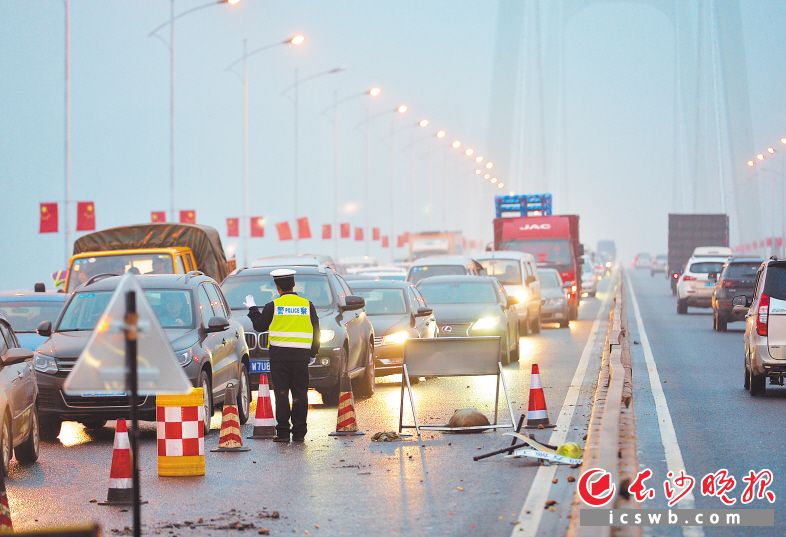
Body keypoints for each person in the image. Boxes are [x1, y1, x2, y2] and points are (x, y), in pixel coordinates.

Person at [245, 269, 319, 443]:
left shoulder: (274, 306)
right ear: (293, 285)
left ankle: (284, 433)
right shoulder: (307, 305)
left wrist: (253, 309)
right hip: (301, 358)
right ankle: (299, 433)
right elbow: (316, 331)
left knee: (282, 394)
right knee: (300, 394)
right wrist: (313, 352)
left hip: (279, 358)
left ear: (278, 288)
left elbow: (259, 326)